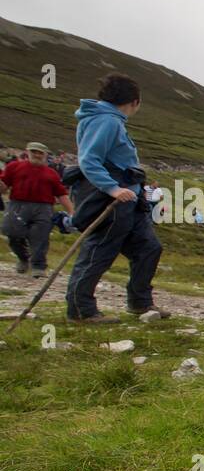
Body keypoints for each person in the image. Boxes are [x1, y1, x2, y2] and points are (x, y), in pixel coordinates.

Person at [64, 74, 168, 324]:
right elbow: (89, 159)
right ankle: (80, 309)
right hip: (111, 198)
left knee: (149, 247)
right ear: (135, 101)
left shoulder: (111, 120)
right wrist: (112, 188)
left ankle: (140, 302)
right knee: (100, 250)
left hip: (129, 198)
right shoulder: (106, 121)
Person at [1, 141, 75, 278]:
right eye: (33, 151)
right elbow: (4, 187)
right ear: (27, 152)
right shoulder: (14, 167)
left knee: (40, 237)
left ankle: (38, 266)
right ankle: (23, 258)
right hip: (17, 205)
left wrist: (71, 212)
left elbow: (61, 194)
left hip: (44, 208)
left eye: (40, 153)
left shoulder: (52, 173)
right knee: (11, 232)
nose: (37, 155)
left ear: (45, 155)